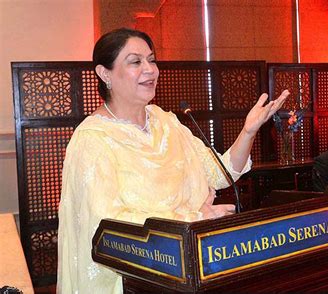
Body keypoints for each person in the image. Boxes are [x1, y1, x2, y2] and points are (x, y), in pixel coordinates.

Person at [57, 28, 289, 294]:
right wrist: (193, 217)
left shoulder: (166, 122)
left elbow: (220, 173)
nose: (150, 70)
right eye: (135, 62)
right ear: (104, 73)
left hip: (190, 271)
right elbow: (109, 225)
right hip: (134, 280)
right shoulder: (92, 139)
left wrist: (248, 132)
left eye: (152, 60)